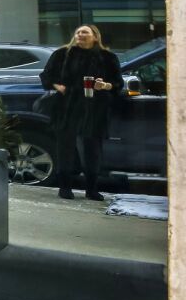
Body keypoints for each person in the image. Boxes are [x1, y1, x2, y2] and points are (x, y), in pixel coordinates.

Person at [39, 24, 123, 201]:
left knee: (93, 148)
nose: (80, 34)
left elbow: (118, 83)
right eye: (78, 32)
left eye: (85, 32)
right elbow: (46, 76)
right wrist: (57, 86)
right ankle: (65, 187)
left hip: (95, 106)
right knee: (65, 147)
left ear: (95, 36)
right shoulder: (63, 54)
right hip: (68, 104)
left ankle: (91, 189)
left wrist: (105, 85)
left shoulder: (107, 57)